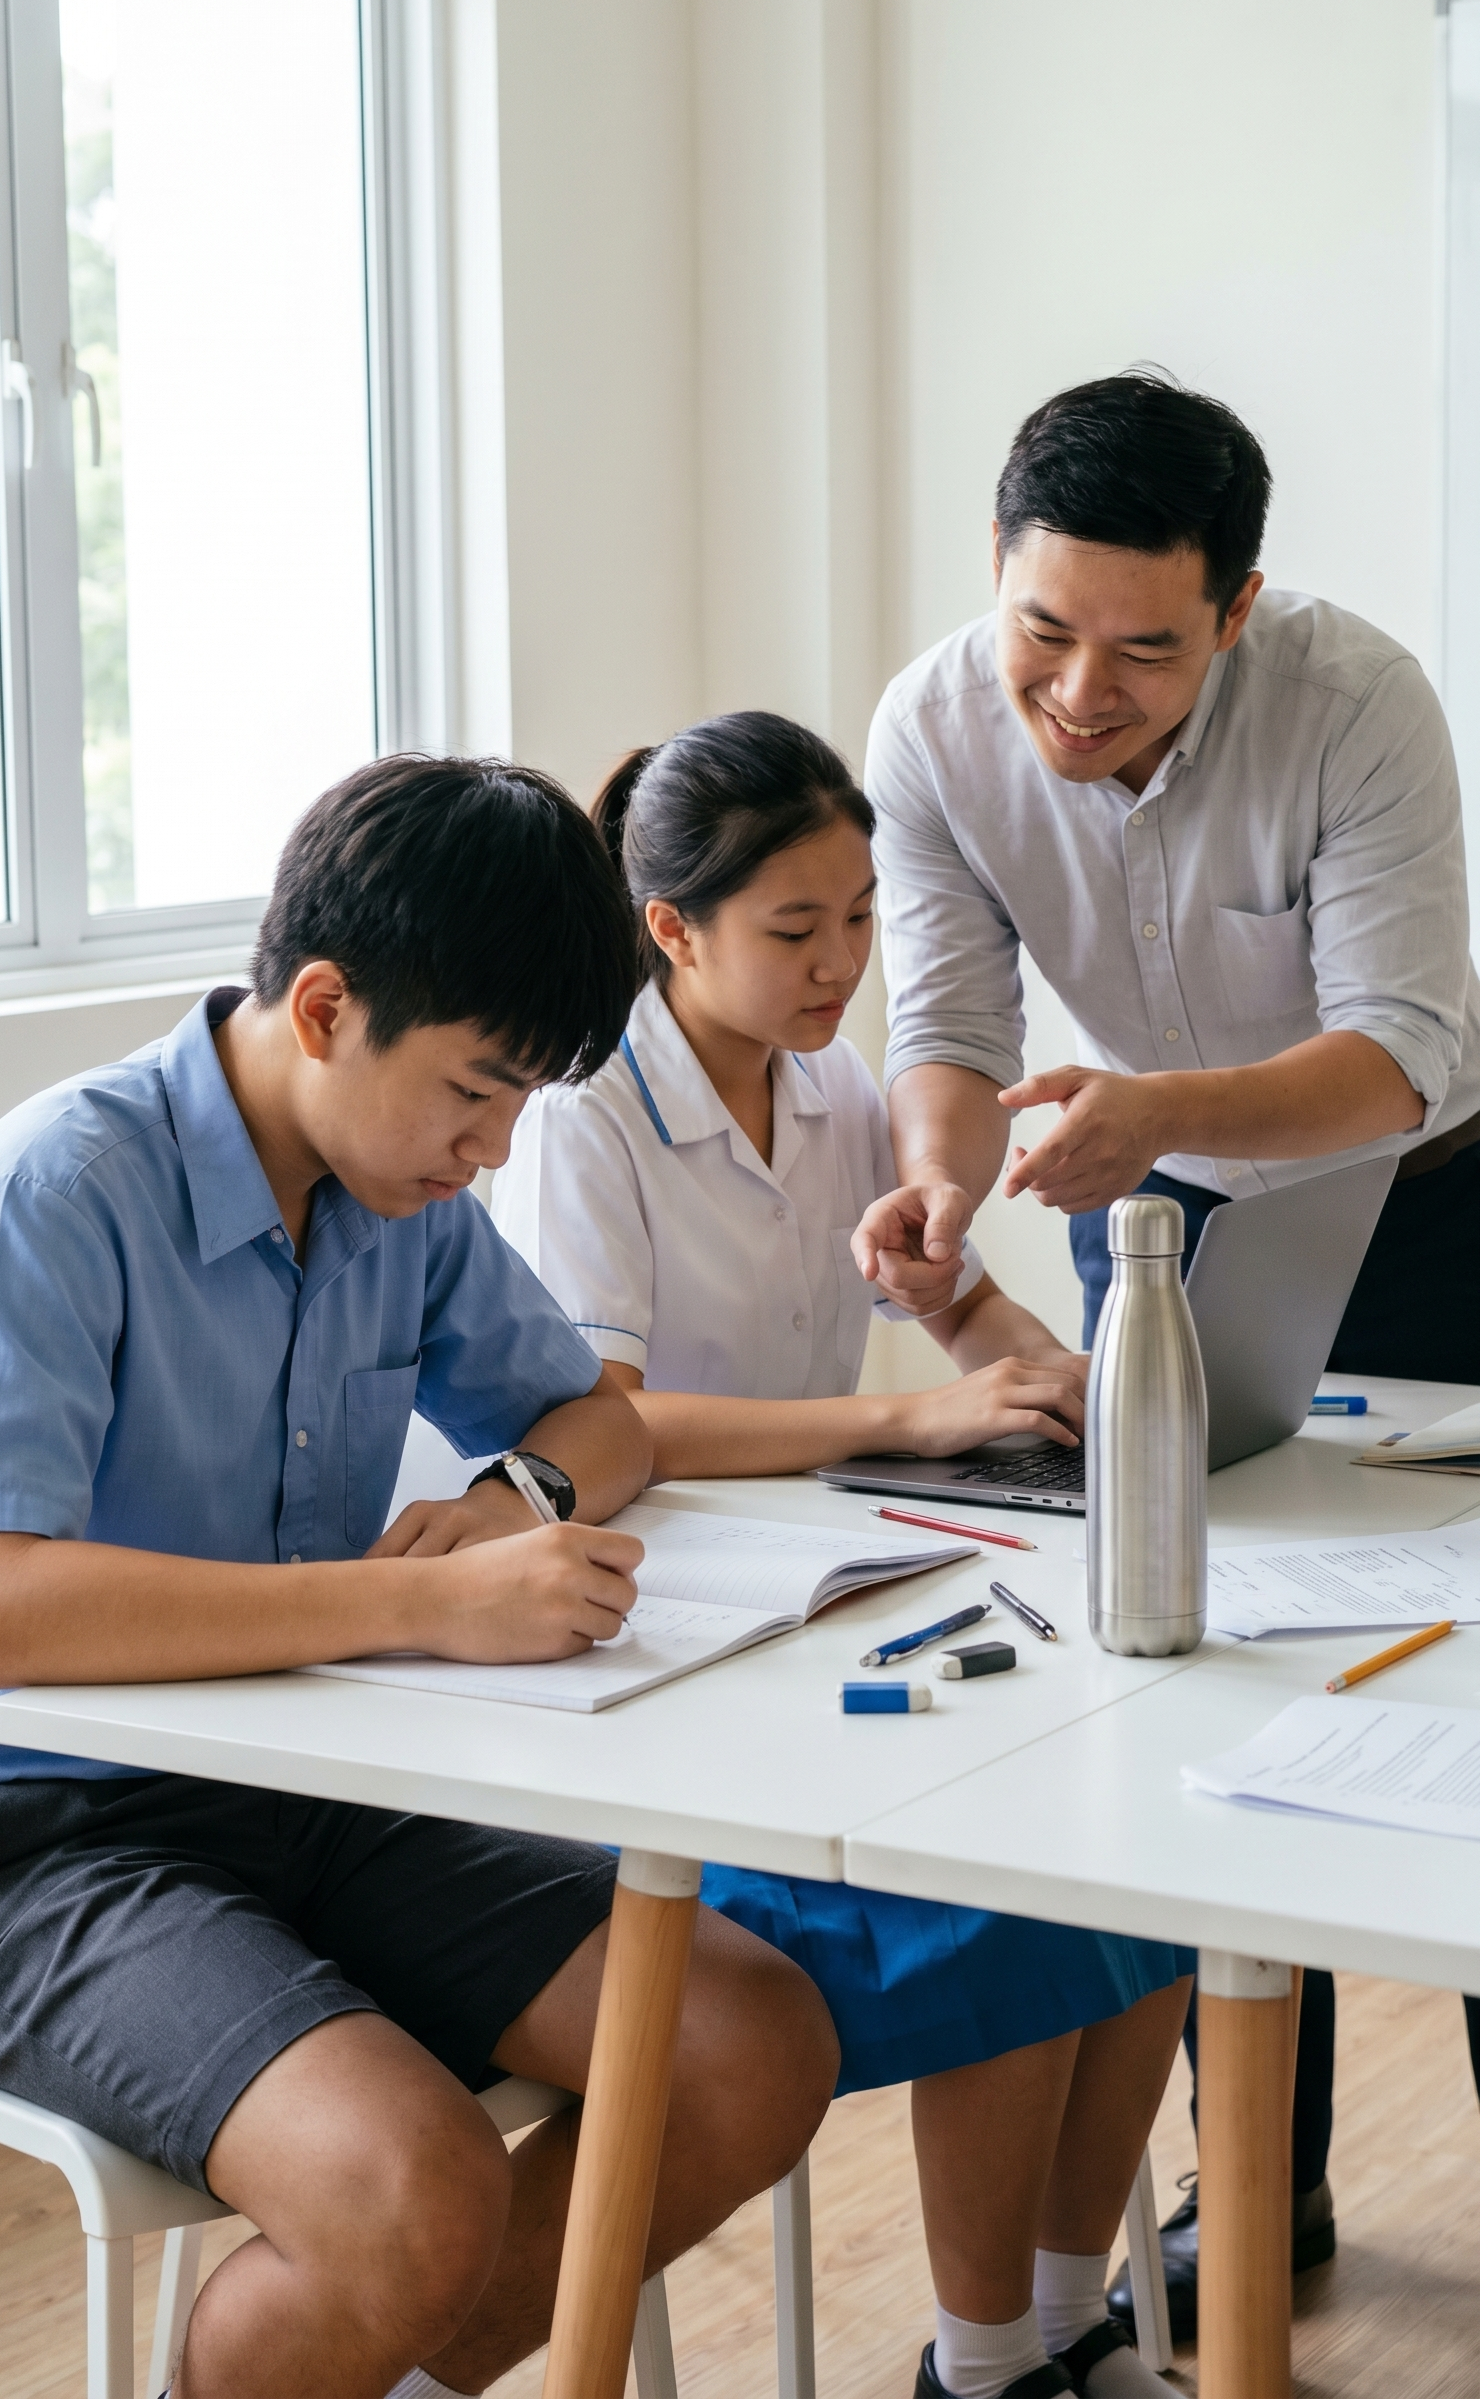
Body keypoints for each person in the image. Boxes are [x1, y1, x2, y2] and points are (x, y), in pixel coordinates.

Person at [0, 754, 840, 2399]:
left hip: (321, 1777)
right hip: (41, 1838)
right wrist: (417, 1602)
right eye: (474, 1094)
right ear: (324, 1006)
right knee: (413, 2185)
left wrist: (522, 1499)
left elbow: (597, 1419)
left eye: (520, 1109)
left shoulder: (396, 1192)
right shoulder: (57, 1195)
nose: (491, 1155)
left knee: (744, 2049)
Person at [853, 367, 1480, 2337]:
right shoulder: (933, 721)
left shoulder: (1356, 699)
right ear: (993, 571)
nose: (1078, 691)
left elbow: (1409, 1044)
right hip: (1153, 1198)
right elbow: (945, 1026)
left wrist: (1154, 1105)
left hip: (1427, 1184)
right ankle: (1259, 2188)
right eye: (1045, 629)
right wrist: (945, 1192)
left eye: (1143, 647)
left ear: (1239, 604)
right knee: (1202, 1669)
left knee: (1457, 1697)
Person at [492, 712, 1194, 2399]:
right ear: (671, 930)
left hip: (805, 1614)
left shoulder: (842, 1092)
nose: (841, 965)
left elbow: (949, 1301)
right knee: (1014, 1902)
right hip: (631, 1665)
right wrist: (910, 1427)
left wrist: (1065, 1385)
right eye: (794, 930)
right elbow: (617, 1430)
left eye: (862, 919)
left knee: (1152, 1888)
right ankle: (982, 2364)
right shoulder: (583, 1113)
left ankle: (1053, 2322)